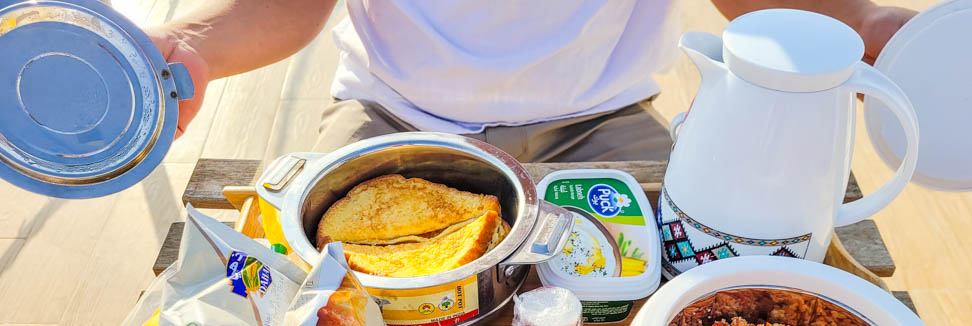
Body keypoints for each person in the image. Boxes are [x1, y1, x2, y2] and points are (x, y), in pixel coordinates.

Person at [149, 0, 914, 162]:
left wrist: (864, 26)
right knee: (318, 312)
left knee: (684, 309)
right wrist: (192, 44)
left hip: (602, 118)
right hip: (393, 114)